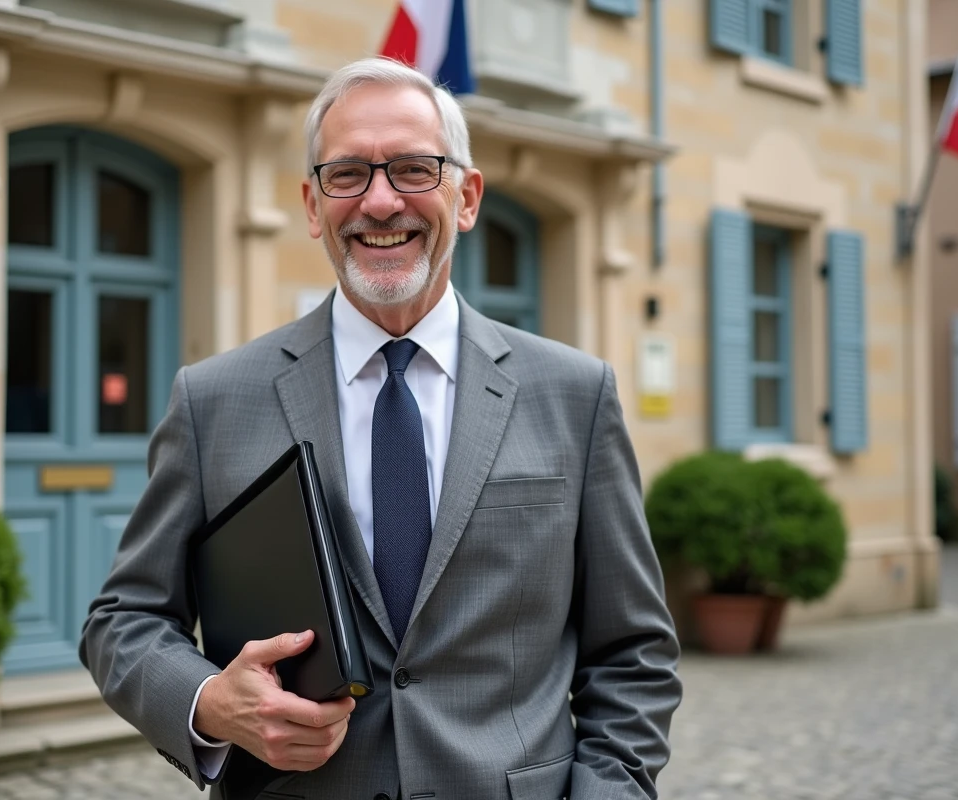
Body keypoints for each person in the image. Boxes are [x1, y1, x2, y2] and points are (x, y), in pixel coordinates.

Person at [80, 56, 682, 800]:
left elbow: (631, 653)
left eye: (413, 169)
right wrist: (212, 703)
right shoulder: (213, 400)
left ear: (466, 197)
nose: (380, 201)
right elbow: (122, 621)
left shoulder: (574, 394)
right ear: (311, 205)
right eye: (348, 175)